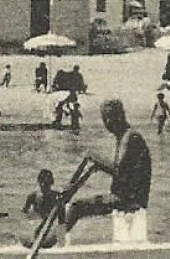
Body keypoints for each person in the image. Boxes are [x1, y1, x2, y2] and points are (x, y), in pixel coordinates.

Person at [65, 99, 152, 243]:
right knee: (73, 202)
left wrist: (95, 158)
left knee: (76, 207)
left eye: (108, 118)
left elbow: (119, 170)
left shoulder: (130, 137)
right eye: (103, 118)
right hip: (124, 197)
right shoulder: (124, 137)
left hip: (130, 200)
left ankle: (56, 242)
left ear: (119, 117)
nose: (106, 123)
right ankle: (56, 238)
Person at [21, 169, 67, 248]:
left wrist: (61, 239)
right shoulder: (32, 196)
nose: (43, 185)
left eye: (46, 183)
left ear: (51, 183)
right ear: (38, 182)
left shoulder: (56, 196)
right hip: (38, 228)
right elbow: (24, 214)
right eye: (42, 182)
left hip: (50, 231)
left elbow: (62, 220)